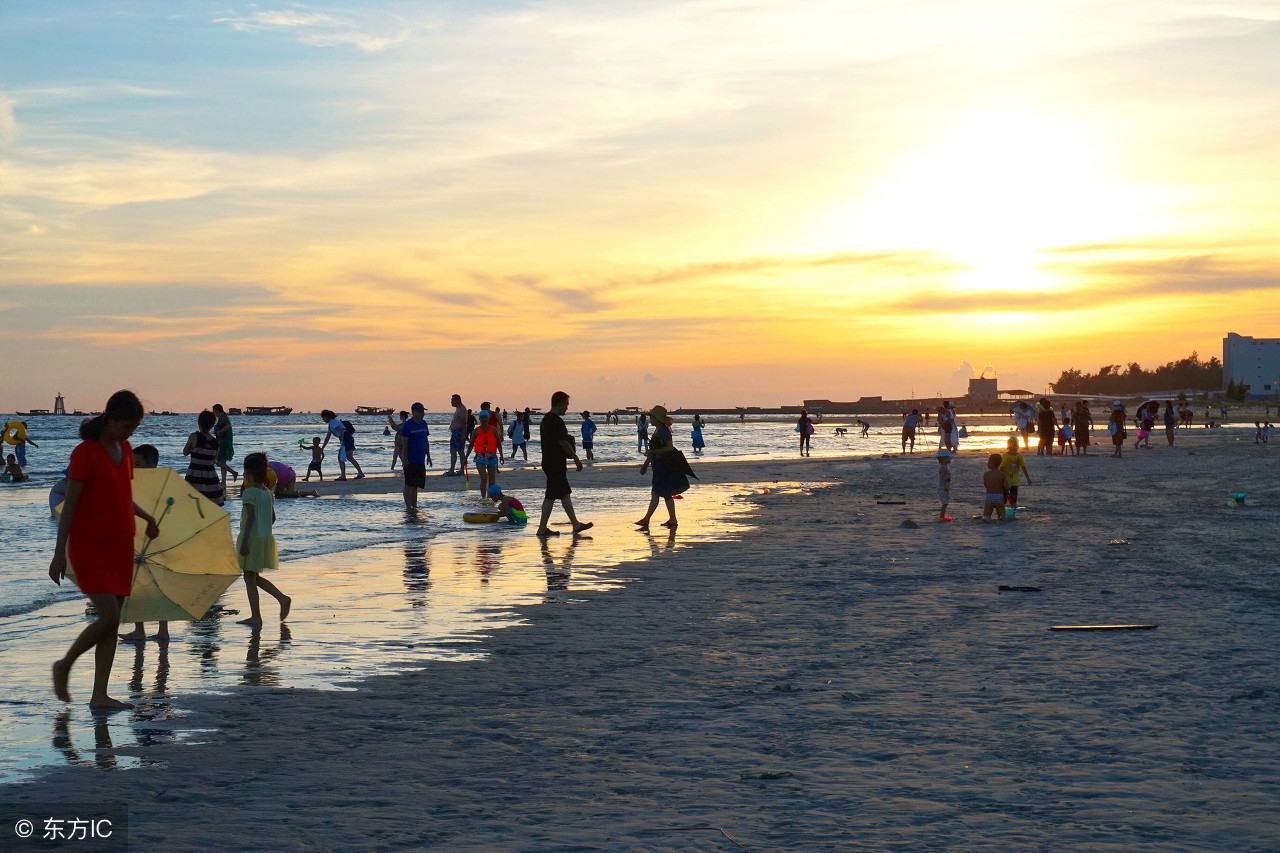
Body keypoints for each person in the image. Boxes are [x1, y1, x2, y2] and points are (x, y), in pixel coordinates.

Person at [50, 390, 161, 709]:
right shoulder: (85, 452)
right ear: (110, 419)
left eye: (135, 428)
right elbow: (69, 506)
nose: (131, 434)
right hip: (90, 547)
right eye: (127, 426)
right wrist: (60, 553)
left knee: (113, 622)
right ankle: (65, 664)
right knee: (110, 617)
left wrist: (148, 517)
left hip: (121, 545)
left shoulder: (125, 450)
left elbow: (122, 496)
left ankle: (99, 695)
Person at [119, 444, 169, 644]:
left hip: (155, 538)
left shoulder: (160, 484)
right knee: (137, 583)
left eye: (138, 464)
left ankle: (160, 629)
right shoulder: (134, 482)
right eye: (132, 464)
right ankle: (140, 628)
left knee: (155, 584)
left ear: (153, 465)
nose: (134, 468)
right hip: (138, 537)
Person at [236, 453, 291, 627]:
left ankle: (257, 616)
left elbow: (251, 518)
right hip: (265, 538)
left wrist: (244, 541)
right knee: (252, 577)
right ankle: (281, 599)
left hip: (251, 539)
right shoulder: (268, 493)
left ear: (247, 472)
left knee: (249, 577)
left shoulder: (249, 493)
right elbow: (272, 518)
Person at [536, 391, 592, 537]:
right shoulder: (555, 421)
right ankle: (542, 529)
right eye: (566, 404)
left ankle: (576, 524)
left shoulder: (546, 420)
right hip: (554, 463)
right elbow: (563, 442)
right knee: (551, 496)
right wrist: (576, 458)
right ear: (559, 403)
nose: (567, 408)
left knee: (565, 494)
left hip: (550, 462)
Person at [637, 405, 689, 530]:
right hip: (658, 467)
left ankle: (665, 519)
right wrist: (646, 464)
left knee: (663, 494)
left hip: (663, 467)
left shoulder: (664, 431)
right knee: (658, 493)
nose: (651, 420)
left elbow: (669, 448)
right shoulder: (658, 430)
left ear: (658, 419)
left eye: (653, 417)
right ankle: (650, 519)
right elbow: (654, 450)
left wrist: (653, 453)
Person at [182, 410, 225, 506]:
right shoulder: (215, 442)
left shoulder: (194, 436)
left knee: (192, 505)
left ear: (199, 423)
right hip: (211, 478)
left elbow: (185, 452)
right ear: (213, 425)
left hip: (194, 476)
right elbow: (214, 459)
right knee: (209, 506)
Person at [400, 402, 432, 510]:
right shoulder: (407, 425)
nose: (422, 413)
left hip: (420, 459)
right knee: (409, 484)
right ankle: (408, 506)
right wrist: (404, 459)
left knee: (416, 485)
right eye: (419, 411)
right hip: (411, 459)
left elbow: (426, 440)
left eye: (423, 411)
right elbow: (404, 444)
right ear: (413, 412)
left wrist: (429, 456)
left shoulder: (424, 424)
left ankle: (414, 505)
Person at [465, 409, 504, 496]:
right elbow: (471, 445)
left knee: (492, 481)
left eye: (485, 417)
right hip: (480, 457)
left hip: (492, 456)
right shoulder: (476, 431)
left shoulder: (493, 430)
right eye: (482, 417)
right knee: (483, 478)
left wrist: (501, 455)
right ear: (479, 419)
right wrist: (466, 457)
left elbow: (498, 443)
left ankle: (490, 497)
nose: (484, 419)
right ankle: (483, 497)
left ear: (488, 418)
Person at [320, 409, 364, 480]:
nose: (323, 419)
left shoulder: (333, 422)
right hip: (347, 438)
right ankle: (359, 473)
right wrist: (323, 447)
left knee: (343, 457)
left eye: (323, 417)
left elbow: (341, 431)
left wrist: (342, 441)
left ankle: (344, 476)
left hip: (346, 439)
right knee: (348, 457)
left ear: (327, 417)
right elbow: (327, 437)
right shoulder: (331, 424)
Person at [211, 404, 238, 487]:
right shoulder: (221, 418)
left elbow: (228, 426)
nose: (213, 412)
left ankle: (233, 472)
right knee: (222, 462)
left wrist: (220, 431)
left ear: (217, 410)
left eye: (214, 410)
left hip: (224, 443)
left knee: (218, 462)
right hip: (222, 441)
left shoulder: (224, 418)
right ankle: (223, 481)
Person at [1000, 436, 1031, 508]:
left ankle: (1011, 512)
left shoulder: (1019, 456)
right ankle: (1002, 513)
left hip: (1014, 482)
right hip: (1006, 482)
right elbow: (1002, 468)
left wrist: (1028, 478)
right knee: (1005, 499)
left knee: (1013, 499)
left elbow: (1024, 467)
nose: (1014, 450)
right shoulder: (1006, 456)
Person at [983, 453, 1011, 522]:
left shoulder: (986, 474)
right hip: (999, 496)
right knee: (1001, 513)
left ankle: (988, 519)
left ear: (992, 463)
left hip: (990, 496)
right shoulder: (1002, 474)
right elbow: (1007, 487)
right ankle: (1003, 519)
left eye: (989, 461)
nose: (987, 463)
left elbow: (986, 485)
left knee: (987, 514)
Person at [446, 394, 467, 475]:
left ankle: (458, 470)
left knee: (458, 451)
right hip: (456, 432)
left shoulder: (461, 409)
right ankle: (455, 469)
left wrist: (462, 434)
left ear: (457, 400)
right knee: (455, 451)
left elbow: (463, 422)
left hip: (458, 432)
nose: (451, 402)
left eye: (452, 400)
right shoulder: (458, 409)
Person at [936, 448, 952, 522]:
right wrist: (944, 486)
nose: (950, 459)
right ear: (944, 459)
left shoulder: (945, 467)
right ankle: (941, 517)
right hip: (943, 488)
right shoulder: (942, 468)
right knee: (945, 503)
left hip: (945, 487)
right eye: (948, 458)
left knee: (945, 502)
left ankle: (942, 515)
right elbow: (942, 478)